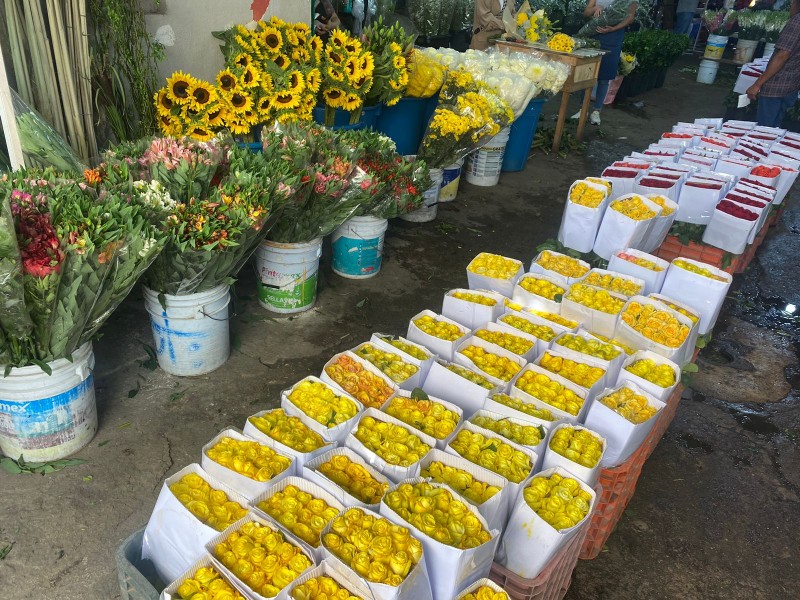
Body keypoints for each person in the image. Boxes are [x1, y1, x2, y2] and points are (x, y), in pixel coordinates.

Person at [573, 0, 639, 125]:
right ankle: (583, 109)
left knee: (604, 77)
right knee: (588, 73)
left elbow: (630, 17)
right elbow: (586, 12)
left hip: (613, 37)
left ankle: (596, 112)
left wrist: (613, 28)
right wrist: (595, 8)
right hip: (594, 35)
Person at [746, 0, 800, 127]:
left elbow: (782, 55)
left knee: (764, 131)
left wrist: (757, 84)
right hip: (792, 83)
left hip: (778, 84)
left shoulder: (797, 21)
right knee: (774, 129)